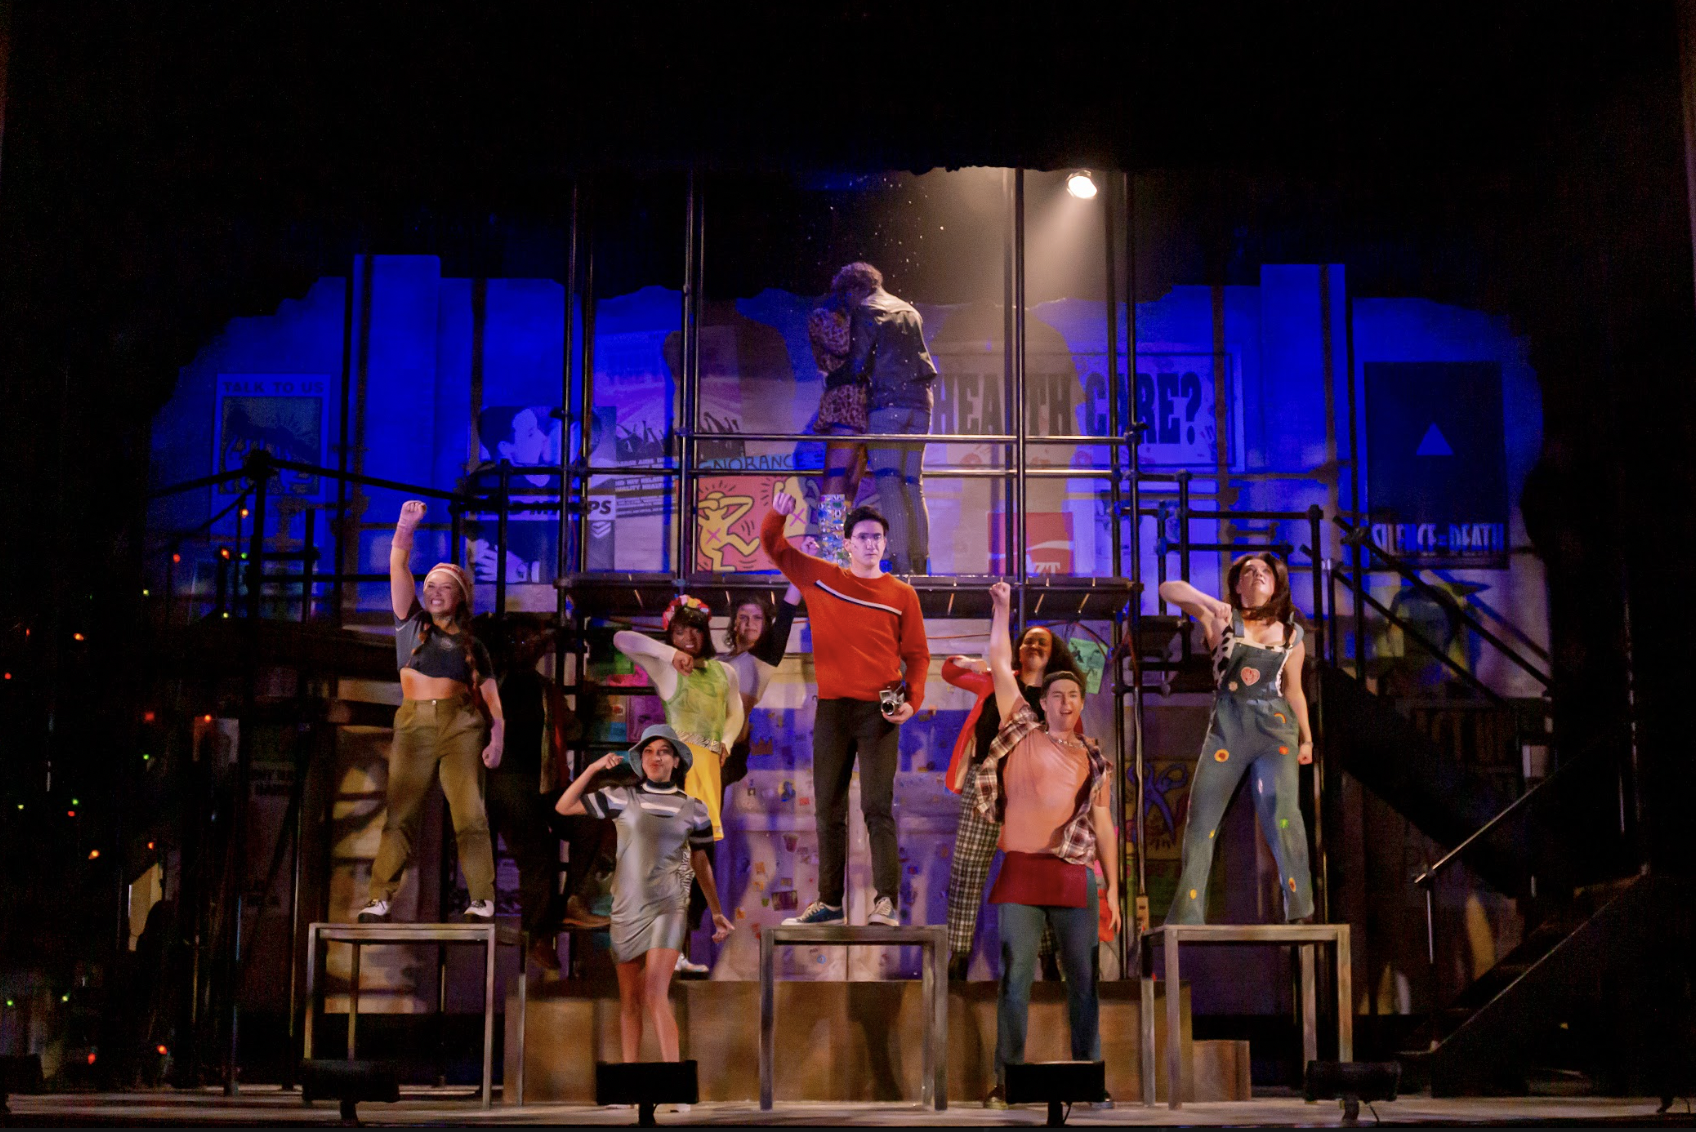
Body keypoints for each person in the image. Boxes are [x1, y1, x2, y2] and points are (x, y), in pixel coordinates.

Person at [974, 582, 1119, 1109]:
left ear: (1080, 704)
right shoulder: (1022, 729)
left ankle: (1090, 1079)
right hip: (1022, 870)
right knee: (1016, 975)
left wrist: (1114, 890)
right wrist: (1002, 610)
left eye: (1073, 696)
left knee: (1084, 979)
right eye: (1056, 695)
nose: (1064, 702)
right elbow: (998, 662)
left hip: (1073, 874)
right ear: (1044, 701)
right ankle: (1007, 1081)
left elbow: (1103, 825)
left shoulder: (1093, 757)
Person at [761, 491, 930, 927]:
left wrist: (912, 702)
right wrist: (778, 512)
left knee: (877, 805)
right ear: (848, 543)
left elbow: (918, 656)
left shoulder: (902, 594)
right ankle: (830, 902)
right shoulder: (820, 577)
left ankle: (886, 901)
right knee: (828, 807)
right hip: (834, 708)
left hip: (883, 706)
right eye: (863, 537)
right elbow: (773, 546)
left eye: (878, 537)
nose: (871, 544)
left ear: (885, 544)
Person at [359, 500, 505, 924]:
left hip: (461, 725)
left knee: (469, 813)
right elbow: (398, 566)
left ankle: (481, 899)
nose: (434, 592)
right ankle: (380, 897)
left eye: (444, 587)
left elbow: (491, 696)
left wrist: (497, 736)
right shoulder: (410, 622)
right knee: (400, 813)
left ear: (460, 597)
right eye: (430, 586)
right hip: (414, 723)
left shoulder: (474, 645)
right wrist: (405, 526)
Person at [554, 724, 733, 1062]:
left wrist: (716, 910)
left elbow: (701, 862)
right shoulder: (622, 796)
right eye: (649, 751)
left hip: (670, 906)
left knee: (654, 992)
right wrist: (593, 769)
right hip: (627, 908)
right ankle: (630, 1079)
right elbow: (565, 806)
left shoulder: (696, 809)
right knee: (629, 1000)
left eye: (663, 751)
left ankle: (673, 1079)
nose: (655, 757)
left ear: (676, 761)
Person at [1158, 552, 1315, 924]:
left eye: (1265, 571)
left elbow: (1294, 690)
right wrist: (1212, 603)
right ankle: (1187, 914)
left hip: (1275, 727)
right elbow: (1167, 589)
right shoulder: (1220, 619)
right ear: (1237, 584)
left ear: (1276, 584)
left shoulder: (1291, 635)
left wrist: (1307, 739)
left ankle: (1300, 908)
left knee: (1282, 813)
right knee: (1202, 817)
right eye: (1249, 571)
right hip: (1229, 724)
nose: (1258, 574)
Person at [940, 625, 1085, 982]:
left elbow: (1072, 743)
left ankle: (1048, 960)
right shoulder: (997, 680)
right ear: (1018, 649)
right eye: (1028, 641)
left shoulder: (1057, 693)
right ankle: (959, 956)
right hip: (984, 783)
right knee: (967, 869)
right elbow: (949, 672)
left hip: (1033, 792)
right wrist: (973, 664)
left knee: (1037, 873)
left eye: (1042, 642)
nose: (1034, 645)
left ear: (1053, 652)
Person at [613, 595, 742, 974]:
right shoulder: (667, 668)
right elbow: (622, 639)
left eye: (695, 630)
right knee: (671, 865)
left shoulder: (724, 672)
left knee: (698, 865)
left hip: (709, 773)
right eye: (680, 631)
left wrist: (727, 742)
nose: (689, 638)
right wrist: (669, 654)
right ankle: (667, 952)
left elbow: (735, 711)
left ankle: (677, 950)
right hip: (678, 772)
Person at [475, 614, 569, 969]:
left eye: (528, 640)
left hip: (545, 783)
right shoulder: (492, 682)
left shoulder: (545, 688)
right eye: (514, 640)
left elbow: (569, 727)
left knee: (589, 827)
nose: (522, 646)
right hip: (508, 783)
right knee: (537, 856)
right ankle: (538, 935)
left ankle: (570, 905)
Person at [834, 261, 939, 575]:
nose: (846, 304)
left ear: (856, 288)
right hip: (920, 403)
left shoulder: (867, 310)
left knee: (889, 484)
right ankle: (920, 563)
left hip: (886, 404)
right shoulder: (909, 310)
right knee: (912, 484)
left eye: (846, 296)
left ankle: (902, 564)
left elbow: (857, 364)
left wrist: (832, 378)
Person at [719, 587, 802, 791]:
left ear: (765, 625)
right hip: (701, 741)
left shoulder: (763, 658)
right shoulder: (719, 660)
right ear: (734, 623)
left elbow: (787, 611)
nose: (750, 623)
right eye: (743, 617)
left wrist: (800, 573)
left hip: (729, 749)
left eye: (757, 618)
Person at [808, 288, 867, 565]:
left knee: (853, 482)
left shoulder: (862, 319)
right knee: (836, 478)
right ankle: (832, 552)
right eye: (862, 291)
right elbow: (842, 345)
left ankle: (843, 549)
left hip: (867, 404)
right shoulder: (823, 317)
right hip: (844, 401)